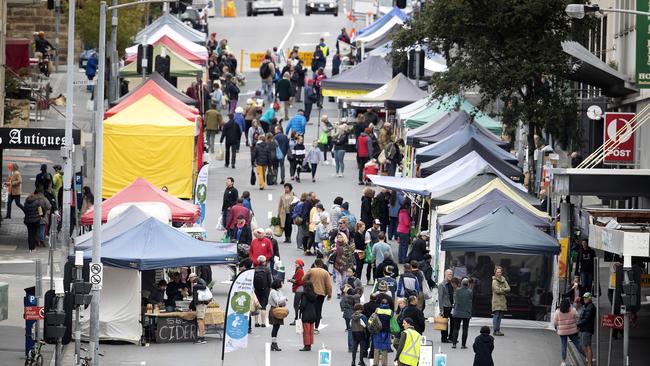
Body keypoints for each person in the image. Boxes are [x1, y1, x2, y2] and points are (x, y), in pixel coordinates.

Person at [302, 258, 332, 332]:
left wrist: (308, 284)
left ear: (315, 264)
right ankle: (316, 327)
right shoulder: (325, 272)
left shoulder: (311, 270)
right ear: (322, 265)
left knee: (311, 308)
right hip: (321, 293)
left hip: (312, 292)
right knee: (318, 310)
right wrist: (329, 294)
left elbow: (303, 279)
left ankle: (310, 325)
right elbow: (328, 285)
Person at [554, 298, 582, 365]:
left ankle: (563, 362)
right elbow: (578, 317)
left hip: (562, 332)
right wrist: (576, 324)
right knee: (577, 344)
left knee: (564, 346)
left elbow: (555, 322)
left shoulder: (557, 312)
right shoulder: (572, 310)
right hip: (572, 331)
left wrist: (557, 327)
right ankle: (587, 357)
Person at [450, 278, 473, 349]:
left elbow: (455, 299)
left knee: (456, 328)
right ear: (468, 284)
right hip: (466, 312)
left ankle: (454, 344)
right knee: (465, 329)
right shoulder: (470, 291)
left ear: (462, 283)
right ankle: (463, 345)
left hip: (457, 312)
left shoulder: (457, 290)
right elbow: (471, 300)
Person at [189, 273, 210, 344]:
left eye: (190, 279)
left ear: (192, 278)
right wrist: (191, 305)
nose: (190, 281)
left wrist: (195, 286)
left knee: (200, 320)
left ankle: (202, 338)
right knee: (200, 320)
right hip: (201, 304)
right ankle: (201, 336)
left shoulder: (198, 281)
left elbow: (204, 286)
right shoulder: (198, 282)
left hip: (201, 304)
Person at [341, 284, 362, 352]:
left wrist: (343, 309)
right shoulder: (355, 298)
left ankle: (350, 346)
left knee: (349, 329)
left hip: (346, 314)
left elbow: (341, 303)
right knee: (354, 330)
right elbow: (357, 306)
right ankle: (353, 346)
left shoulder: (345, 297)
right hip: (353, 314)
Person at [372, 298, 393, 366]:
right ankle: (384, 363)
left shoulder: (377, 310)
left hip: (378, 330)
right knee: (385, 348)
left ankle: (375, 363)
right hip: (386, 331)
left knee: (377, 347)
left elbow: (373, 318)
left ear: (381, 303)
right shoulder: (390, 311)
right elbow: (392, 320)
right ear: (388, 304)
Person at [253, 255, 273, 327]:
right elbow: (270, 281)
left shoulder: (255, 269)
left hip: (257, 289)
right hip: (265, 290)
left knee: (256, 306)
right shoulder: (267, 270)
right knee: (263, 306)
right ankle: (263, 323)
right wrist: (270, 289)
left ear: (258, 261)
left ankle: (256, 322)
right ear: (264, 262)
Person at [333, 232, 355, 298]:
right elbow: (329, 254)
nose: (339, 238)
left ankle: (343, 291)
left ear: (344, 238)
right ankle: (338, 293)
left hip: (345, 265)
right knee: (338, 279)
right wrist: (332, 251)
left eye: (341, 237)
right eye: (338, 237)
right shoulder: (334, 245)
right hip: (337, 265)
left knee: (344, 279)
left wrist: (351, 265)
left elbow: (350, 256)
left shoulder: (347, 246)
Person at [268, 279, 288, 351]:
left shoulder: (279, 291)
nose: (281, 285)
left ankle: (274, 343)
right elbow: (277, 301)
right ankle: (274, 343)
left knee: (277, 326)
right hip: (274, 310)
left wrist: (283, 300)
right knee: (275, 326)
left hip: (279, 309)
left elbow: (282, 302)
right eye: (280, 283)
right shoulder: (273, 292)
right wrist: (284, 298)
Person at [299, 281, 319, 351]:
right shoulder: (314, 295)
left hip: (306, 314)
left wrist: (300, 308)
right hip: (313, 314)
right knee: (311, 331)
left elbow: (303, 305)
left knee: (306, 331)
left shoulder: (304, 294)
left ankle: (306, 345)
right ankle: (310, 344)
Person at [577, 292, 596, 366]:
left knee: (587, 346)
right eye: (584, 298)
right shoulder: (587, 305)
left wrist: (578, 324)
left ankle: (590, 363)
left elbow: (586, 319)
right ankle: (589, 361)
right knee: (584, 345)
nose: (584, 299)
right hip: (585, 328)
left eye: (586, 298)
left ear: (589, 298)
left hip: (587, 329)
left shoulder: (590, 307)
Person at [491, 265, 510, 336]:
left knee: (500, 316)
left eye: (500, 272)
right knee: (496, 315)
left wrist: (501, 289)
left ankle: (498, 330)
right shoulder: (494, 281)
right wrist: (504, 290)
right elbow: (496, 291)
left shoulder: (503, 280)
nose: (499, 273)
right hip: (496, 301)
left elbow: (509, 288)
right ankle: (495, 330)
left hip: (502, 301)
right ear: (495, 273)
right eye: (497, 272)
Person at [438, 269, 454, 343]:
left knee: (453, 321)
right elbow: (440, 298)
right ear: (445, 274)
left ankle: (451, 337)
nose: (450, 276)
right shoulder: (442, 285)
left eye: (451, 274)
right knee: (444, 322)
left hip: (451, 306)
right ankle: (444, 338)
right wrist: (441, 310)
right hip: (445, 306)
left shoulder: (450, 284)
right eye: (449, 274)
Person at [288, 259, 305, 326]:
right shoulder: (299, 270)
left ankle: (297, 319)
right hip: (300, 289)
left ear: (299, 264)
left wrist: (291, 280)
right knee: (298, 305)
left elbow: (299, 281)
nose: (295, 264)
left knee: (296, 305)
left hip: (299, 289)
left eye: (296, 263)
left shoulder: (299, 271)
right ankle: (298, 319)